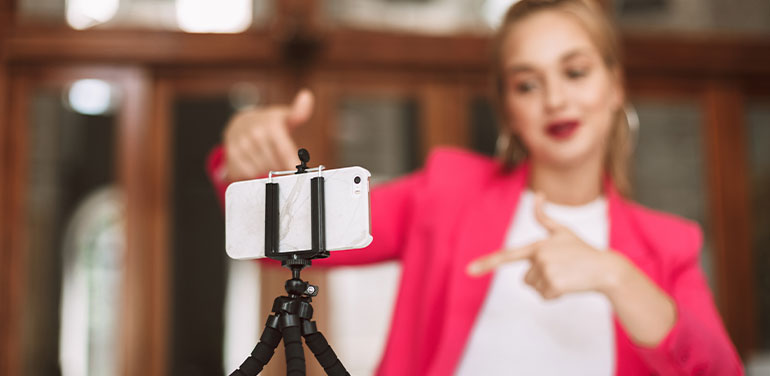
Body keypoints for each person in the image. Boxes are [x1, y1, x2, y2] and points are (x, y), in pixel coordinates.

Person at [206, 0, 743, 374]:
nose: (555, 99)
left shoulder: (668, 245)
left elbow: (717, 370)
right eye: (527, 83)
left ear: (614, 85)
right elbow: (281, 246)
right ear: (507, 107)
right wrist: (241, 158)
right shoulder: (446, 193)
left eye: (575, 72)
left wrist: (615, 276)